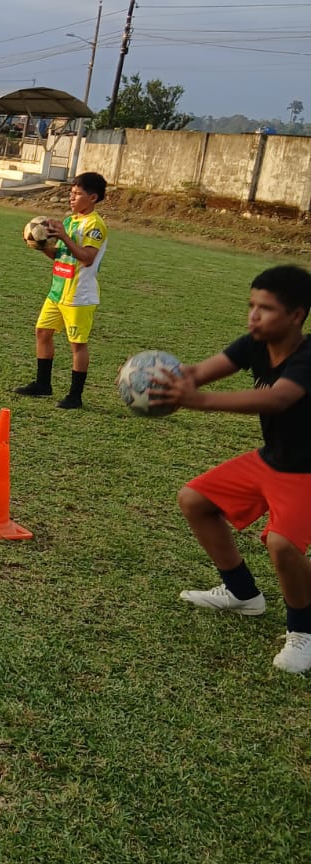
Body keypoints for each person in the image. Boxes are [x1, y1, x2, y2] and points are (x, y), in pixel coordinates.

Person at [152, 264, 311, 675]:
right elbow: (199, 373)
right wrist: (164, 378)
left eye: (266, 309)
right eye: (251, 305)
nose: (253, 316)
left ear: (296, 315)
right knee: (195, 500)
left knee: (282, 545)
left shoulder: (308, 358)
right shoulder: (255, 343)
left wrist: (199, 401)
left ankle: (303, 631)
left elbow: (278, 399)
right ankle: (242, 594)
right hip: (272, 458)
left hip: (307, 473)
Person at [15, 172, 109, 409]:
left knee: (77, 344)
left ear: (93, 197)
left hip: (79, 295)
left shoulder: (95, 225)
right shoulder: (69, 221)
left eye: (77, 194)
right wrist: (41, 245)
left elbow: (87, 257)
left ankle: (75, 396)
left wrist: (65, 237)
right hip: (58, 291)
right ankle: (43, 384)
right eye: (71, 193)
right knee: (42, 332)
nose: (71, 197)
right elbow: (60, 254)